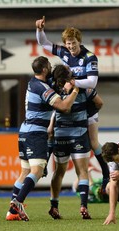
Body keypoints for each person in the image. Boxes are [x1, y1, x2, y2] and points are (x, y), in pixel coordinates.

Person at [36, 16, 110, 192]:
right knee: (51, 132)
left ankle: (107, 174)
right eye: (68, 44)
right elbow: (44, 44)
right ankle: (45, 165)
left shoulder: (90, 57)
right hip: (71, 101)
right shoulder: (64, 53)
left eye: (73, 43)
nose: (70, 47)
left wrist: (74, 83)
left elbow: (92, 82)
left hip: (87, 103)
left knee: (93, 142)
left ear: (79, 41)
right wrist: (40, 30)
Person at [6, 56, 79, 221]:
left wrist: (64, 85)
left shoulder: (34, 82)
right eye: (49, 66)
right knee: (36, 172)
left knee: (25, 172)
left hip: (24, 131)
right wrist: (74, 91)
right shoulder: (42, 87)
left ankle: (11, 212)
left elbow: (54, 89)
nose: (51, 68)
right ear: (45, 69)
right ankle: (18, 203)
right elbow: (64, 107)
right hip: (35, 133)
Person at [47, 64, 93, 220]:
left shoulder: (52, 89)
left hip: (60, 135)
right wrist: (87, 113)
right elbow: (99, 102)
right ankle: (83, 206)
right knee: (82, 172)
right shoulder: (80, 86)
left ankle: (54, 206)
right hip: (79, 133)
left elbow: (54, 110)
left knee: (59, 172)